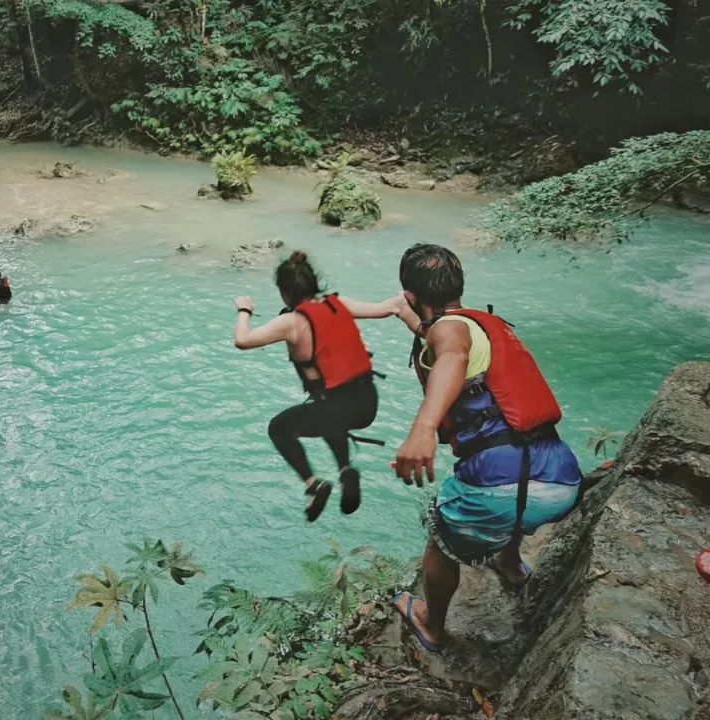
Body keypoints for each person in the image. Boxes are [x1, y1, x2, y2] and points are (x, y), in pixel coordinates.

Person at [390, 243, 582, 653]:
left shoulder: (451, 335)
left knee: (441, 538)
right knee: (508, 482)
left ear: (411, 294)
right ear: (458, 287)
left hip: (498, 492)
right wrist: (406, 315)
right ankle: (510, 565)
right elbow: (439, 335)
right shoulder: (482, 325)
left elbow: (450, 354)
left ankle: (431, 624)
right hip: (561, 481)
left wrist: (424, 427)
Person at [233, 251, 405, 522]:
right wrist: (403, 297)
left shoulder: (291, 322)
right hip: (368, 402)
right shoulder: (339, 303)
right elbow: (387, 308)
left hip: (335, 407)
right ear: (314, 283)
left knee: (279, 428)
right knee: (325, 414)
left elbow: (242, 340)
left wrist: (245, 310)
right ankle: (345, 469)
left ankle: (314, 485)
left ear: (284, 292)